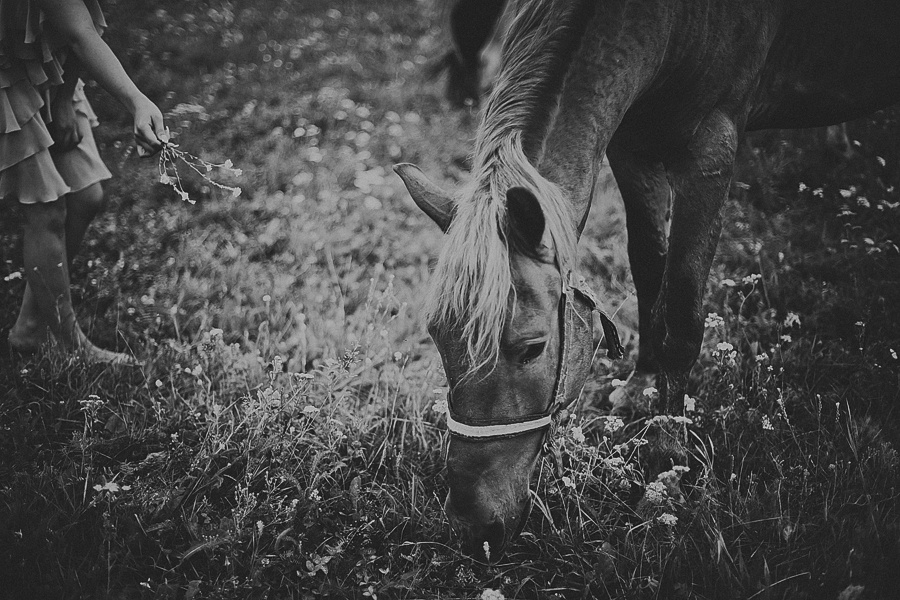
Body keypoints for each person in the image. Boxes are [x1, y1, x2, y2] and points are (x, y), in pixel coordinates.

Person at [1, 0, 167, 364]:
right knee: (46, 209)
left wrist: (63, 97)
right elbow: (78, 33)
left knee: (86, 194)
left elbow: (85, 24)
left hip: (51, 65)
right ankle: (70, 345)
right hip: (5, 76)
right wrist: (136, 101)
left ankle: (28, 328)